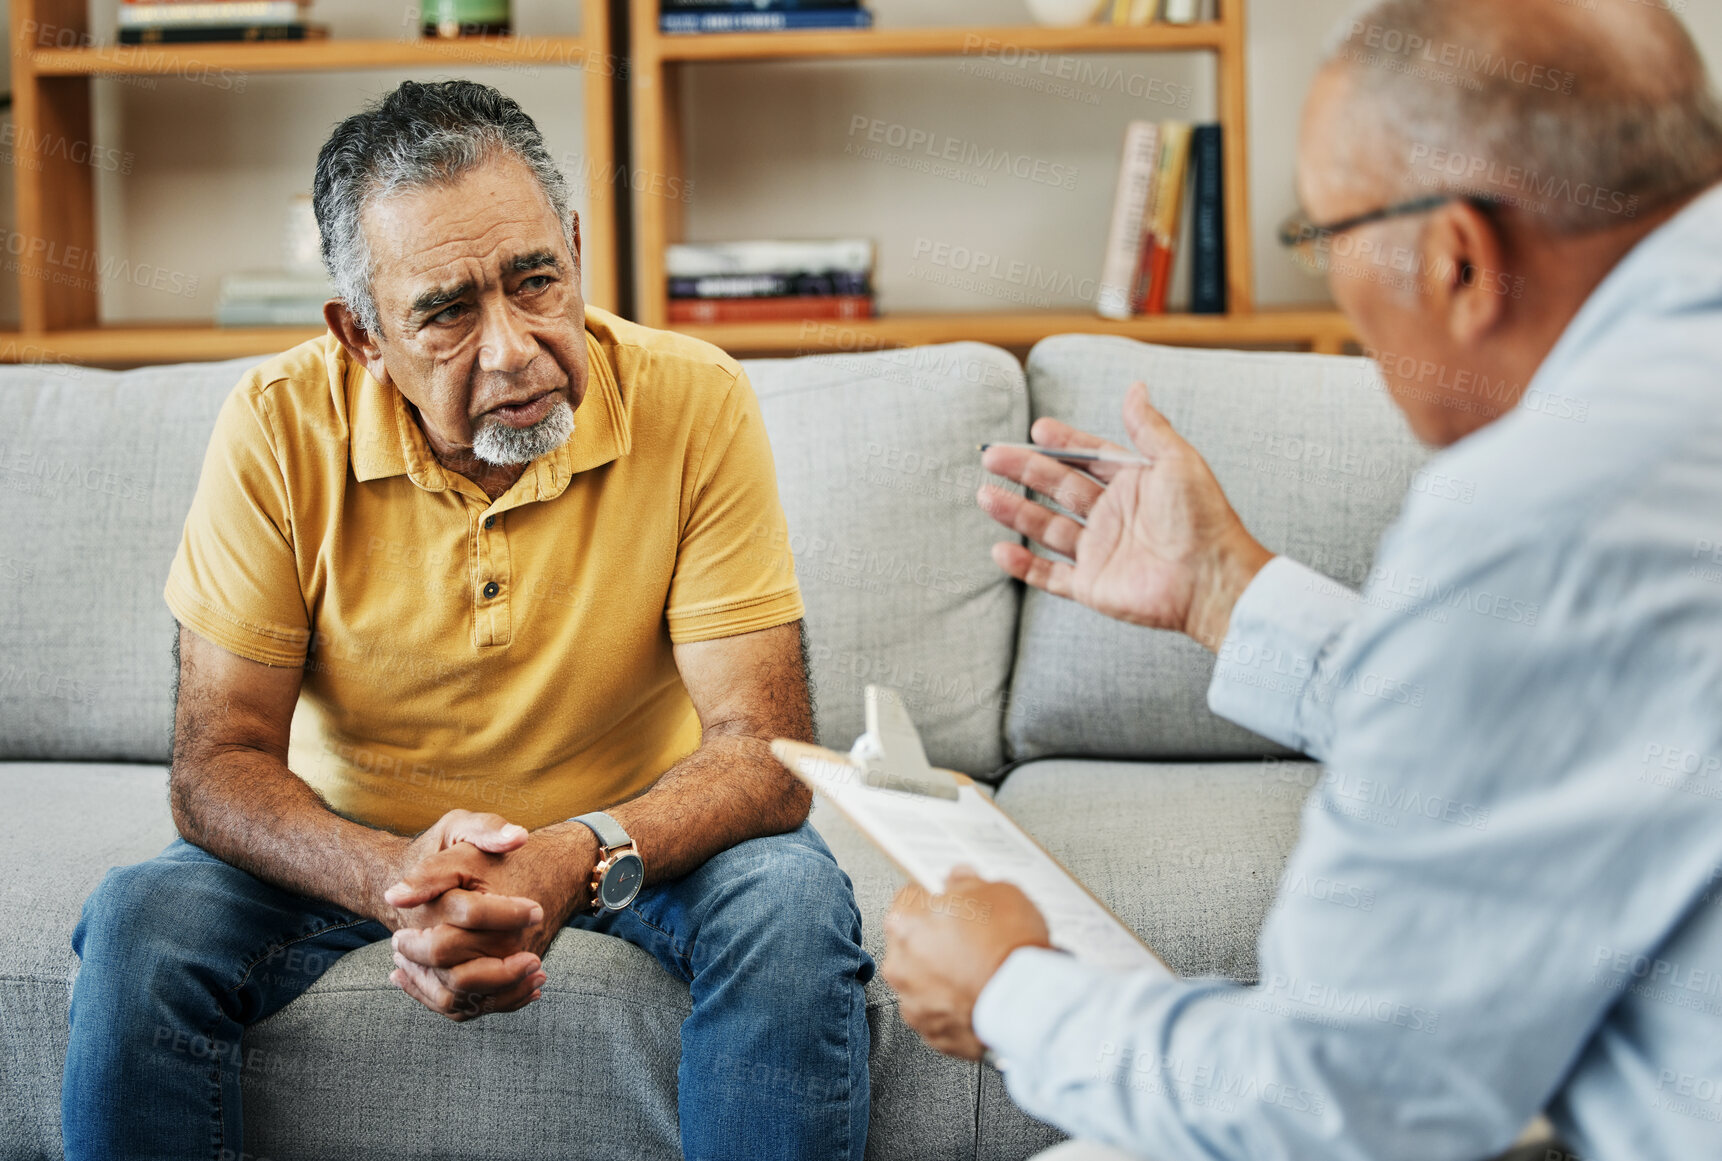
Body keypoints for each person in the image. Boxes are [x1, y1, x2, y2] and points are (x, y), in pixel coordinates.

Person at [881, 1, 1722, 1159]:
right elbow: (1572, 730)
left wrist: (1012, 993)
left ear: (1458, 258)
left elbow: (1348, 1106)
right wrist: (1227, 592)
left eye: (1325, 240)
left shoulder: (1546, 500)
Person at [62, 80, 873, 1160]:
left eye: (538, 281)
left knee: (792, 910)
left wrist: (572, 853)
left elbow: (764, 754)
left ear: (576, 248)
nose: (515, 351)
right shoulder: (273, 429)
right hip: (359, 841)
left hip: (637, 835)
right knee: (137, 927)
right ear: (360, 333)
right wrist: (399, 882)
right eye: (447, 311)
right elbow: (218, 763)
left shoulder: (696, 398)